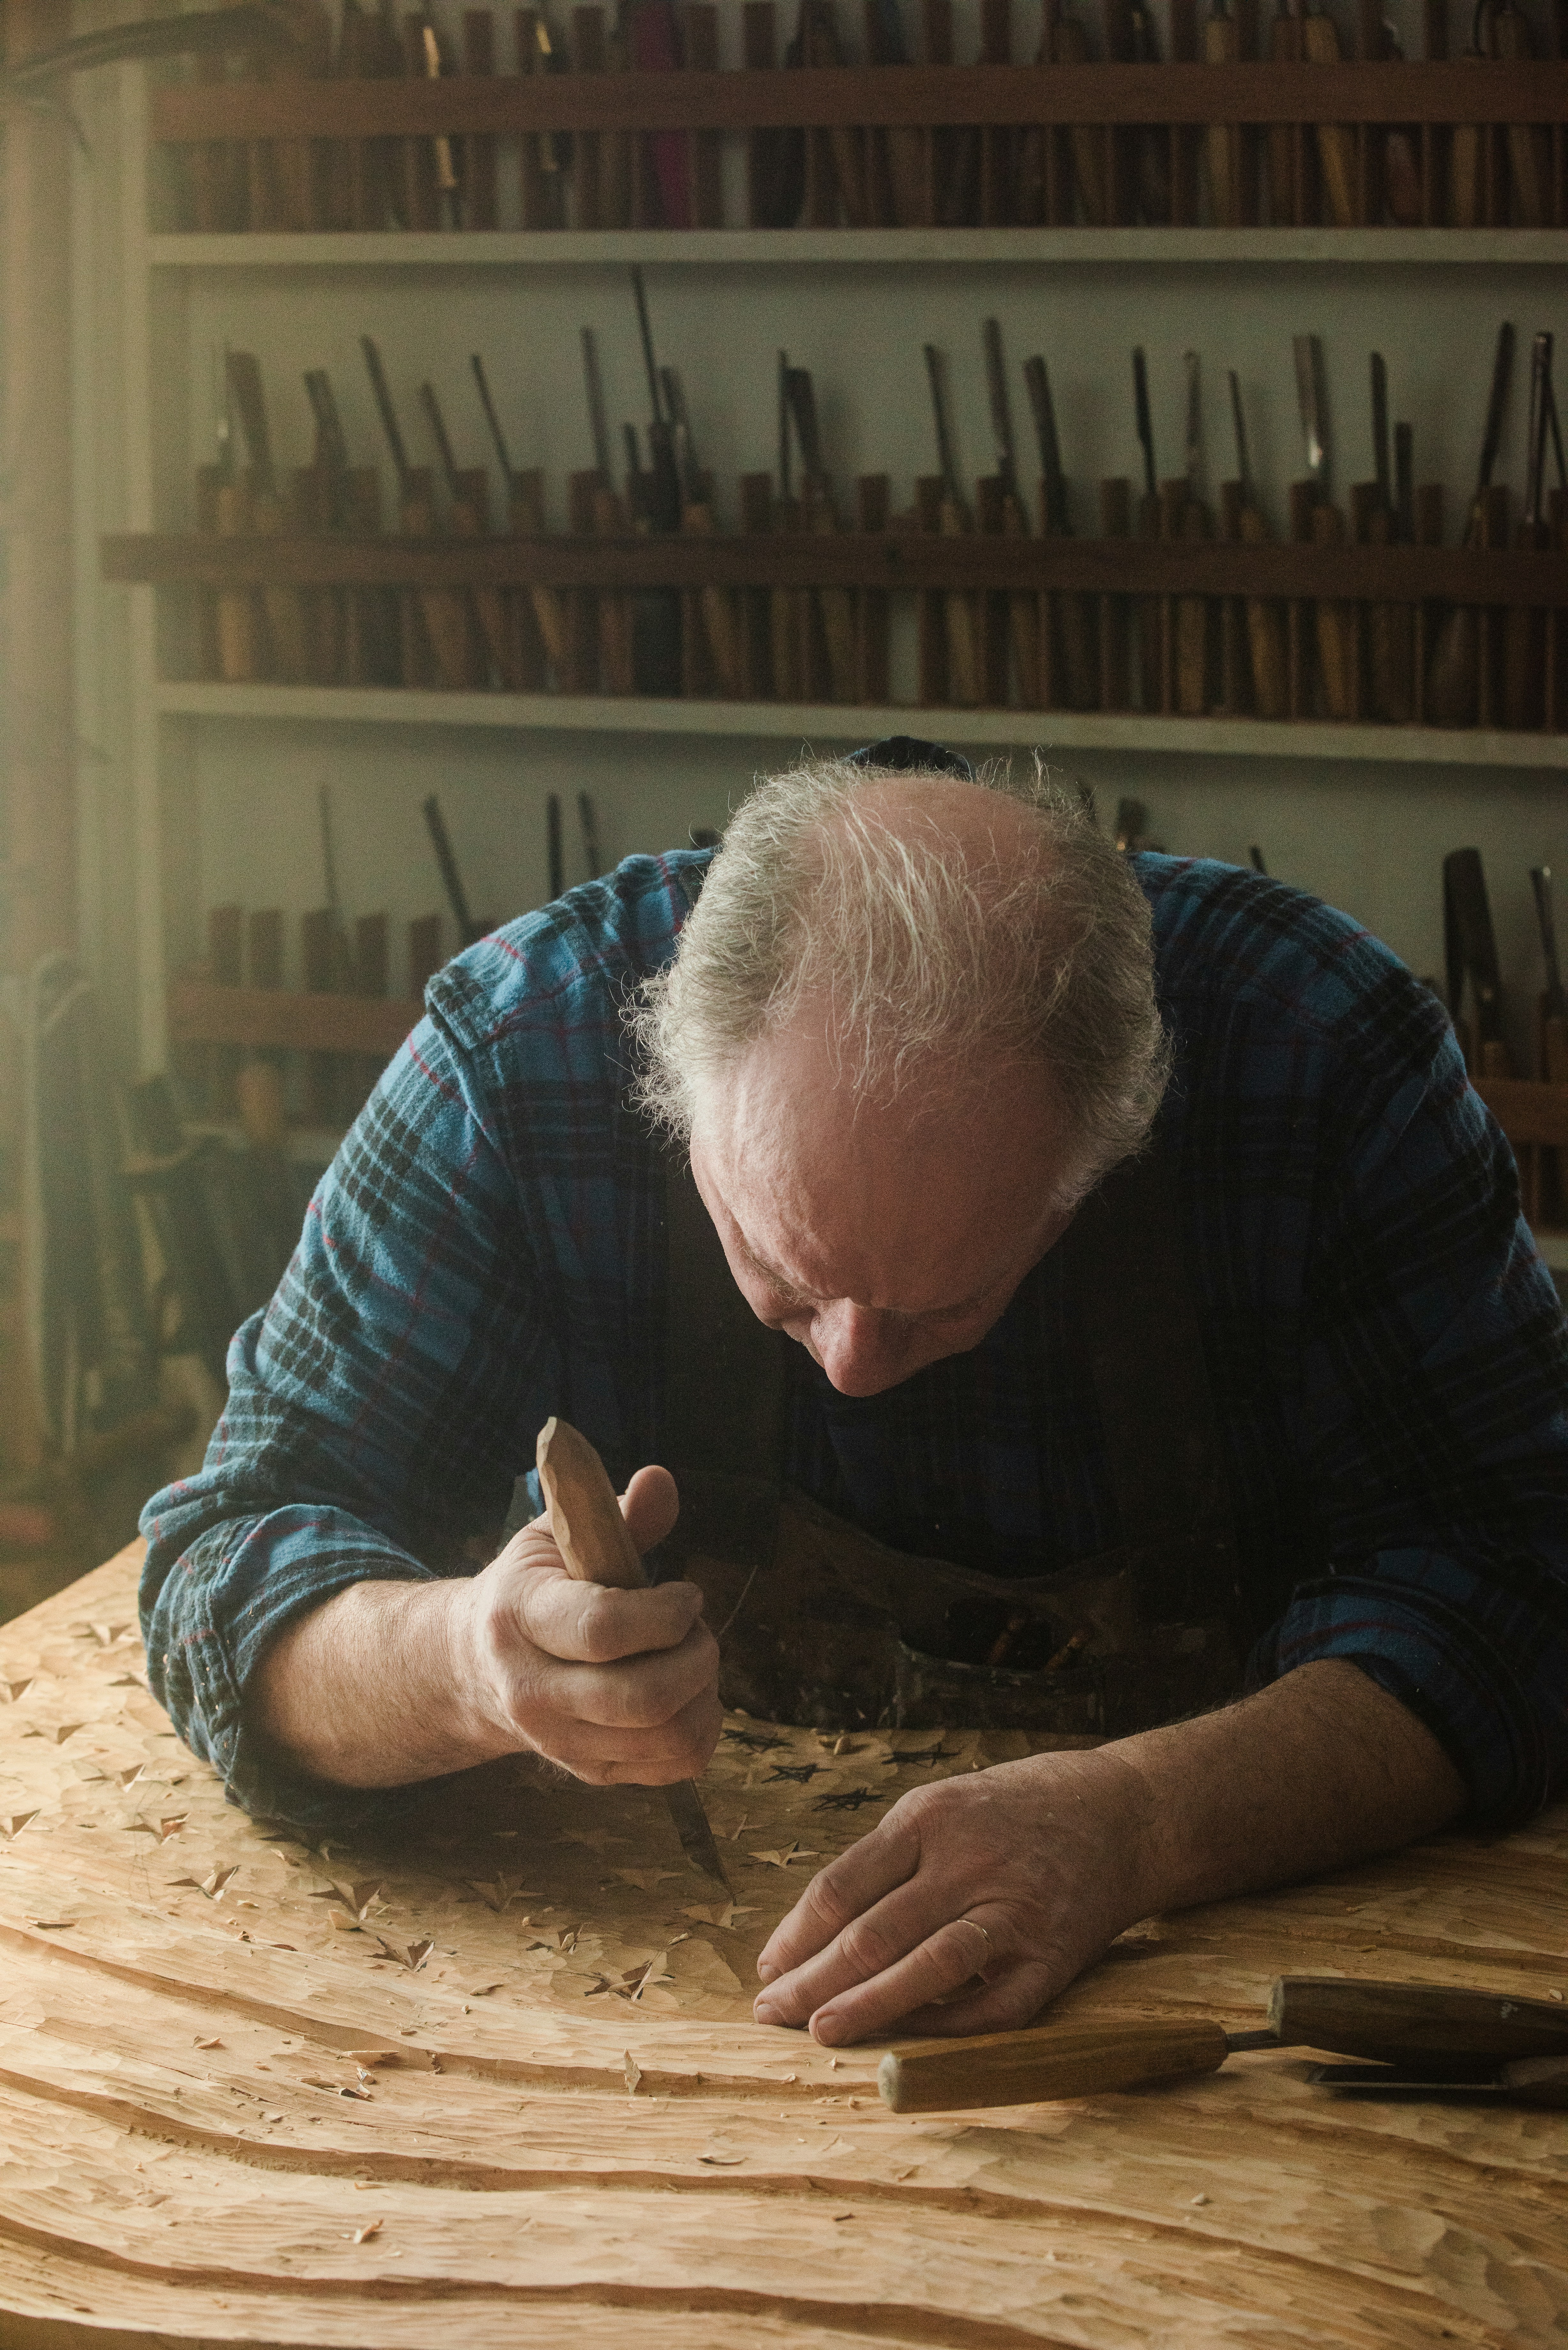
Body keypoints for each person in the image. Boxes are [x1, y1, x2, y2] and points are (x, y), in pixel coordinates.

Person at [140, 744, 1568, 2048]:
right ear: (671, 1086)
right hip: (659, 2015)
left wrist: (1142, 1820)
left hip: (1200, 1978)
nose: (850, 1366)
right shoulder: (519, 1058)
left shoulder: (1318, 1054)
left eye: (947, 1298)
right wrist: (464, 1656)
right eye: (784, 1267)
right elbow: (231, 1562)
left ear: (1108, 1150)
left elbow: (1520, 1587)